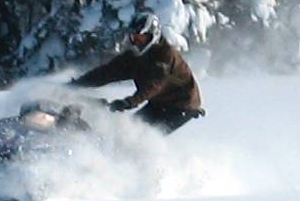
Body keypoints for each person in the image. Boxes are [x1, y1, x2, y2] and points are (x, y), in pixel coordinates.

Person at [70, 13, 205, 133]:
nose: (136, 42)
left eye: (140, 38)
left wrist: (128, 102)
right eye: (134, 38)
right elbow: (109, 71)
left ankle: (154, 160)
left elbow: (153, 86)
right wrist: (79, 83)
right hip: (159, 102)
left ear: (152, 35)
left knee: (141, 135)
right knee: (127, 132)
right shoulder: (137, 55)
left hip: (181, 107)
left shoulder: (165, 57)